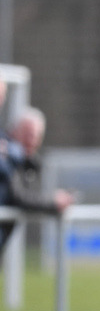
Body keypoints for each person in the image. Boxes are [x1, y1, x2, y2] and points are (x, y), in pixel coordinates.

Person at [0, 107, 76, 253]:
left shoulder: (24, 161)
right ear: (15, 131)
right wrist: (53, 202)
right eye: (27, 134)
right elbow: (19, 196)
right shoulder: (7, 156)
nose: (32, 141)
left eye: (36, 136)